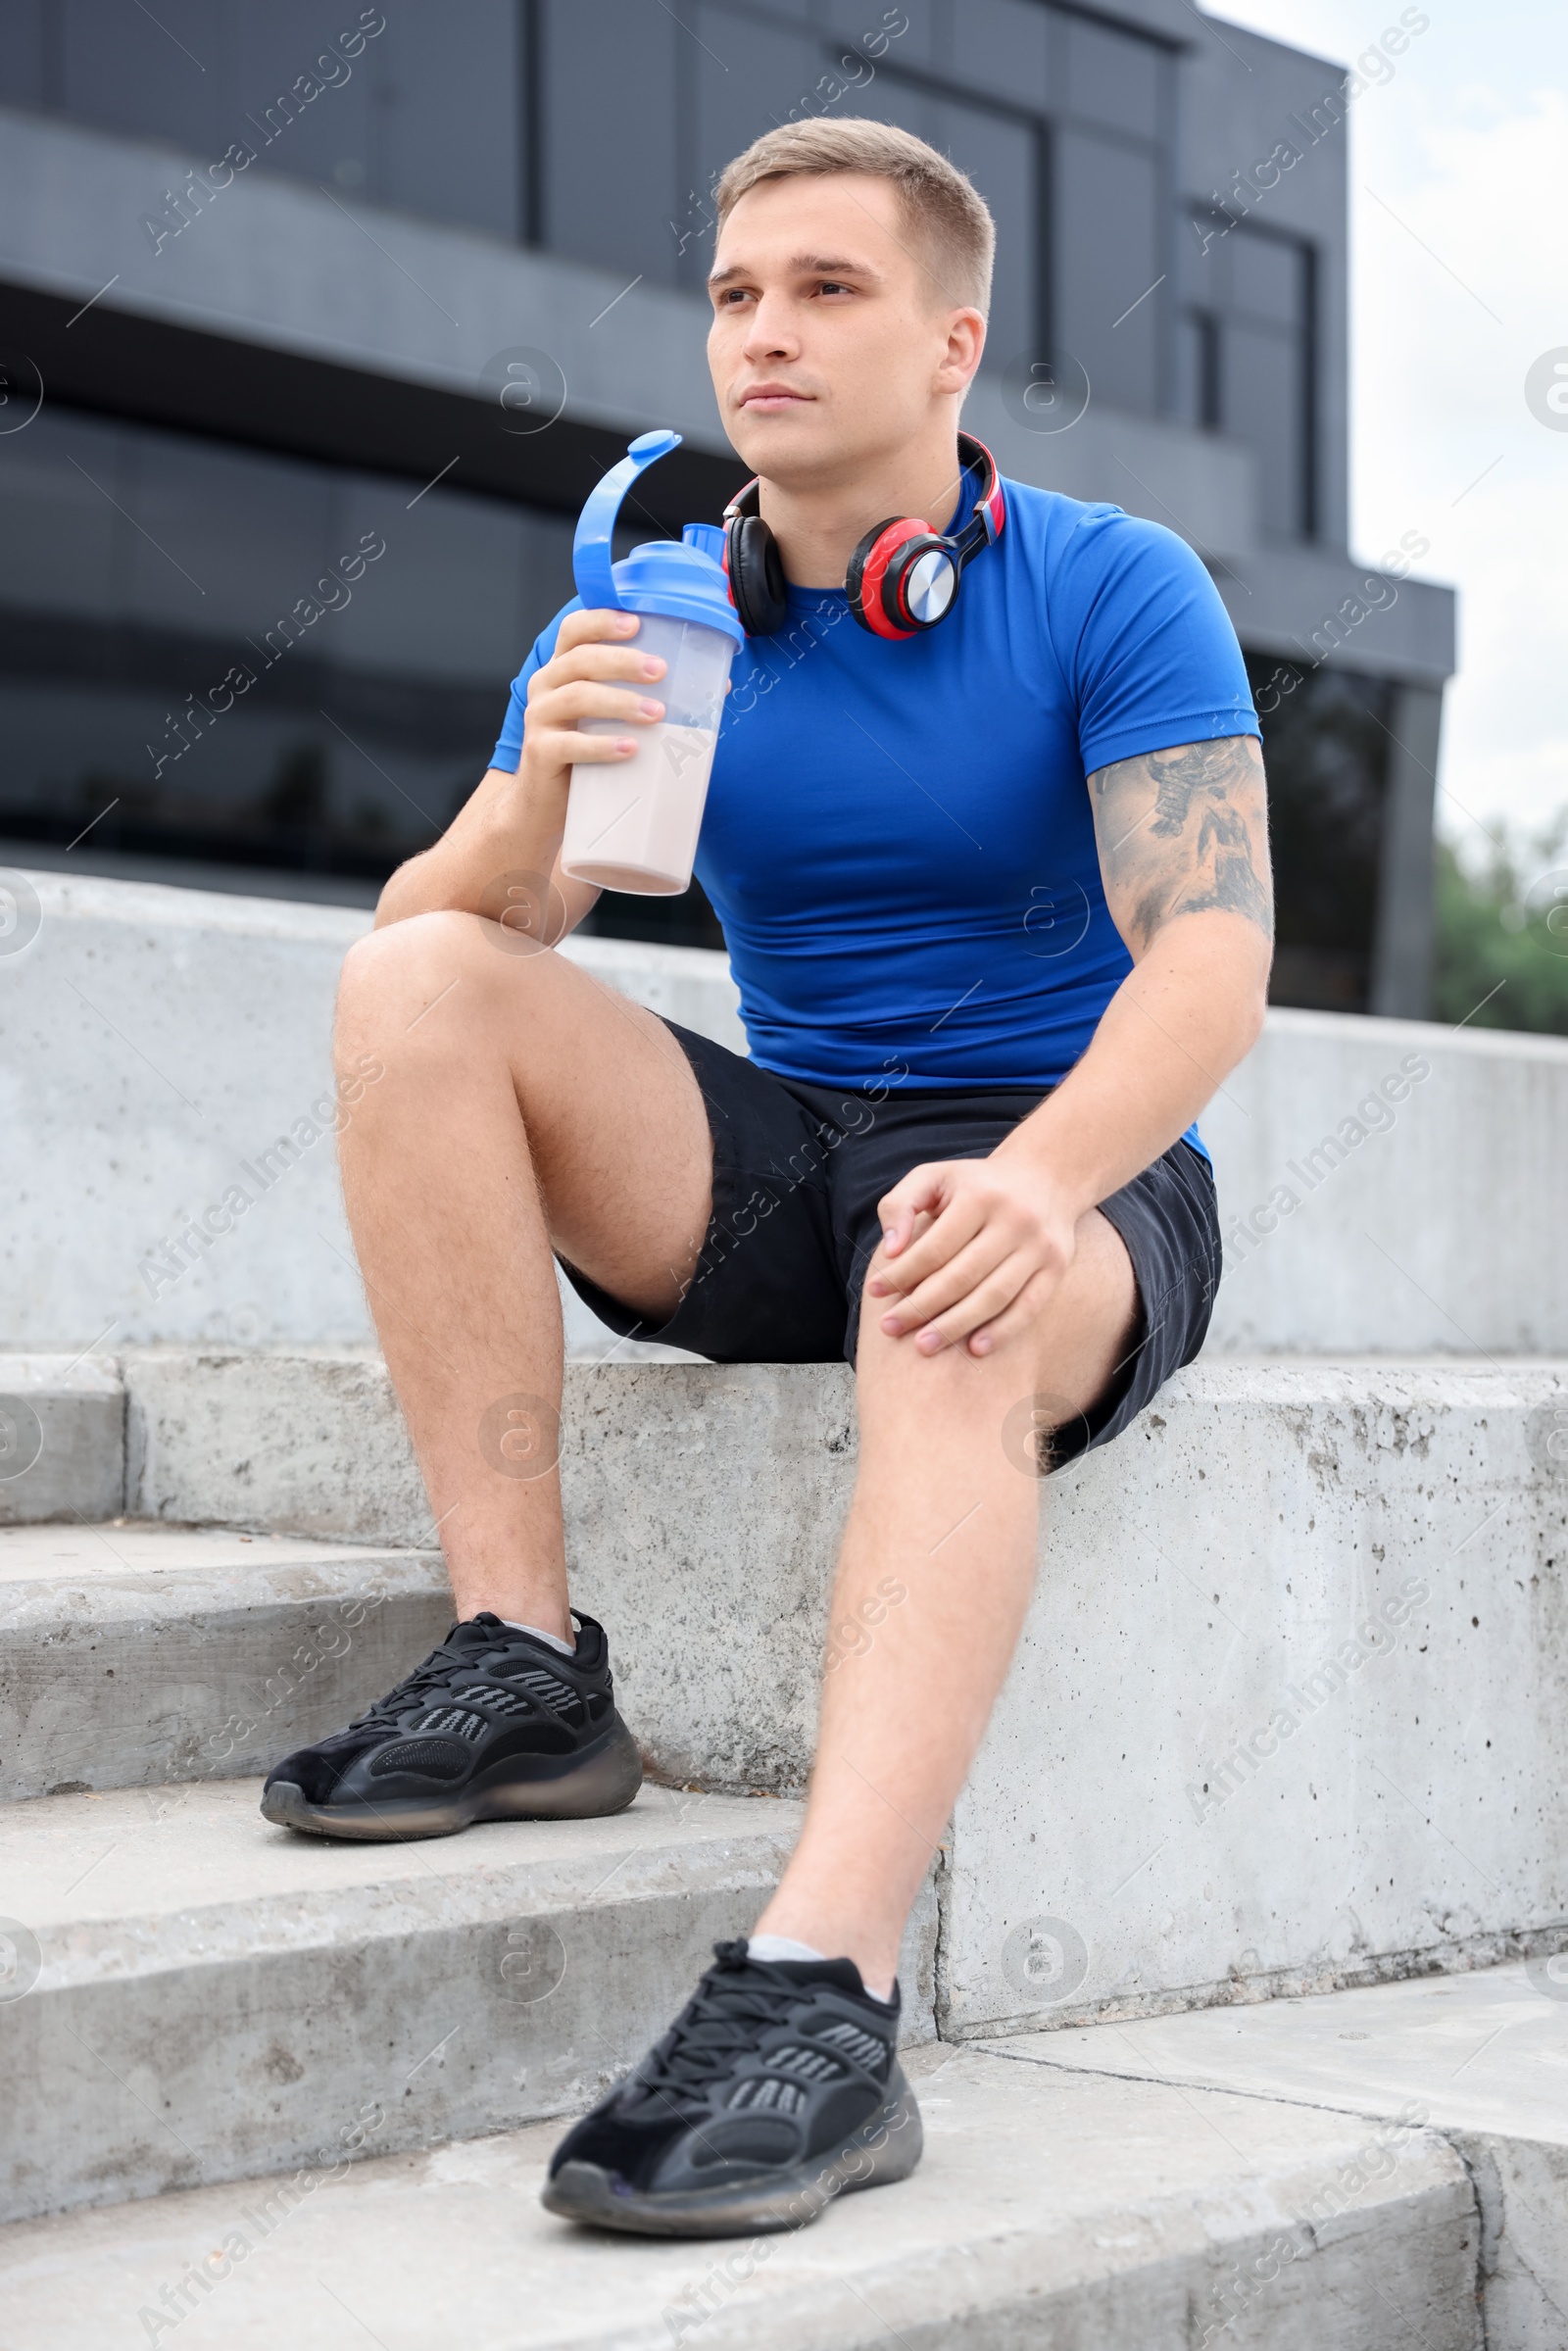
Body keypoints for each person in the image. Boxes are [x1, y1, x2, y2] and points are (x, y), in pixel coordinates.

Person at [260, 117, 1273, 2237]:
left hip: (1066, 1169)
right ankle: (522, 1660)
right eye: (734, 295)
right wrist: (536, 777)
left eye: (825, 290)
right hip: (781, 1161)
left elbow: (1209, 951)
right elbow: (453, 923)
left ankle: (819, 1991)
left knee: (939, 1250)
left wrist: (1045, 1178)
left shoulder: (1105, 583)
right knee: (421, 986)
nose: (765, 336)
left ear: (948, 344)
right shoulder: (653, 608)